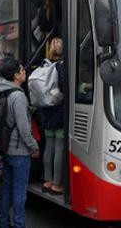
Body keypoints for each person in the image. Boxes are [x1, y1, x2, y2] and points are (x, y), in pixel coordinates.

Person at [0, 58, 39, 228]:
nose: (24, 72)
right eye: (22, 70)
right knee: (19, 191)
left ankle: (3, 222)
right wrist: (34, 146)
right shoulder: (18, 96)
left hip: (6, 148)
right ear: (15, 75)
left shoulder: (3, 92)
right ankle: (18, 224)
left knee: (6, 189)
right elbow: (23, 128)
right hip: (19, 152)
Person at [39, 38, 66, 195]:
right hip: (58, 112)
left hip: (46, 112)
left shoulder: (44, 65)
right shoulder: (61, 67)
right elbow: (64, 89)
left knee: (49, 147)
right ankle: (57, 184)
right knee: (59, 147)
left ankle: (47, 181)